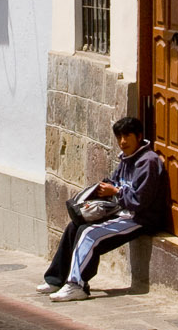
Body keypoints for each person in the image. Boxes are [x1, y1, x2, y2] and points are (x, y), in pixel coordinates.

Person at [44, 115, 170, 300]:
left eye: (127, 136)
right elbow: (114, 182)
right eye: (119, 137)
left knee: (89, 234)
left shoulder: (148, 162)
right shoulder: (126, 158)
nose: (123, 142)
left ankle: (76, 284)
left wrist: (116, 192)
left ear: (139, 136)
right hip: (121, 211)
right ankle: (56, 279)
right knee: (74, 227)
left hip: (139, 218)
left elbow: (140, 201)